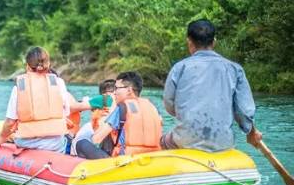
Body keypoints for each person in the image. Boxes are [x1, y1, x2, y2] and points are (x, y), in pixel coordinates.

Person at [161, 19, 263, 152]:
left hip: (185, 141)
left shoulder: (179, 68)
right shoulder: (234, 69)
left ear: (189, 42)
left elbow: (169, 105)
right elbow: (244, 111)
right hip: (223, 143)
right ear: (214, 42)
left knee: (163, 141)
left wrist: (186, 113)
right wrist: (251, 132)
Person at [0, 47, 70, 153]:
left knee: (10, 136)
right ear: (48, 64)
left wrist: (1, 138)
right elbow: (66, 112)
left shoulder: (20, 86)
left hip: (27, 143)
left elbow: (10, 122)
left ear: (28, 66)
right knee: (67, 140)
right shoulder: (59, 83)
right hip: (55, 145)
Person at [74, 71, 162, 159]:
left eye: (117, 88)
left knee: (82, 143)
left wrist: (111, 110)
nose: (114, 92)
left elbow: (96, 139)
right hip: (151, 157)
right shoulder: (153, 107)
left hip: (124, 161)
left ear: (129, 90)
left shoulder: (122, 108)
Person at [69, 79, 116, 155]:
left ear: (103, 93)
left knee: (79, 141)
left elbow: (73, 107)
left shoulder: (103, 98)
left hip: (101, 139)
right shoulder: (123, 102)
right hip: (113, 142)